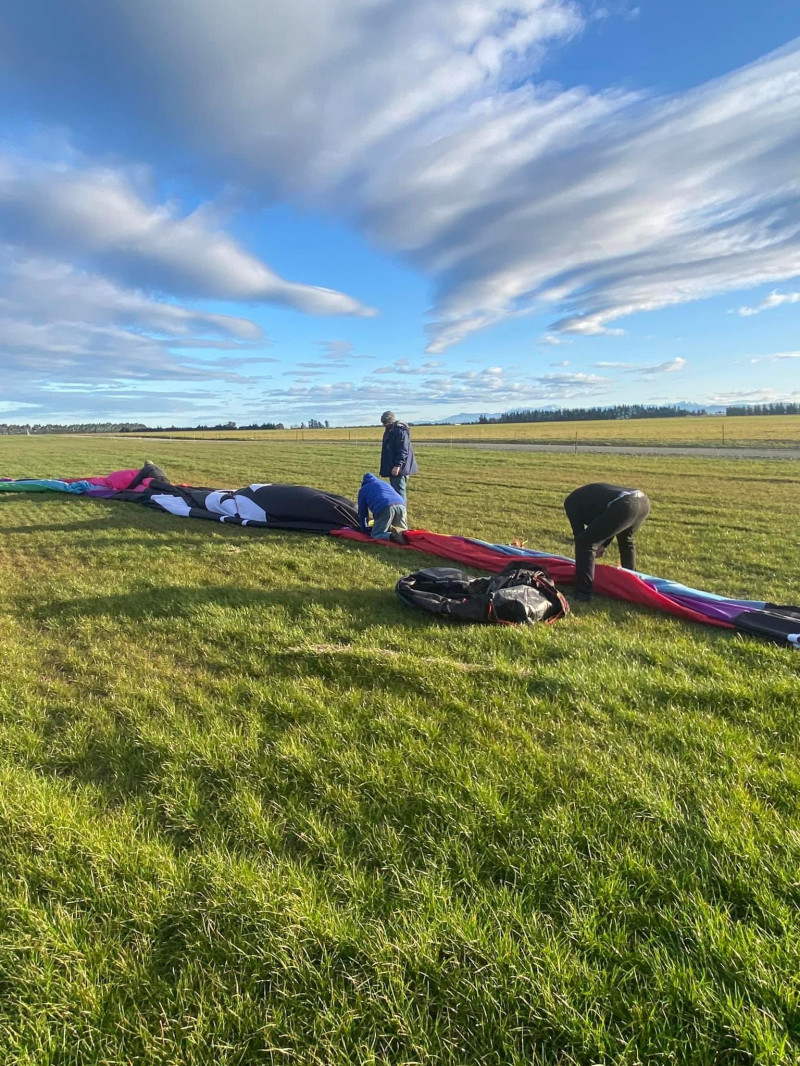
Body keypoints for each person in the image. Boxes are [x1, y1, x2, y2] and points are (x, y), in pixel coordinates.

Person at [563, 482, 651, 601]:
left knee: (585, 543)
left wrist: (594, 547)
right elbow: (610, 521)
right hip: (642, 501)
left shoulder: (570, 503)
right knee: (626, 540)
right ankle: (633, 582)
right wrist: (603, 544)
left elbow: (580, 535)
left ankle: (583, 594)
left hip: (625, 505)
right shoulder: (588, 498)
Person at [379, 411, 418, 502]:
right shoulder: (390, 431)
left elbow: (403, 451)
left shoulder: (400, 431)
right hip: (393, 466)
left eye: (385, 423)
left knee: (399, 491)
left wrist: (397, 465)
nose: (384, 425)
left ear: (390, 422)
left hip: (398, 468)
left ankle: (402, 514)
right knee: (395, 490)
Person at [358, 472, 408, 540]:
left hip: (385, 507)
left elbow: (362, 513)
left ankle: (392, 536)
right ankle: (408, 538)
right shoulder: (385, 484)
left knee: (377, 534)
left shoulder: (363, 489)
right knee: (403, 530)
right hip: (401, 505)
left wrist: (364, 529)